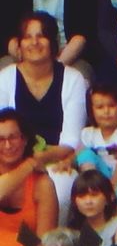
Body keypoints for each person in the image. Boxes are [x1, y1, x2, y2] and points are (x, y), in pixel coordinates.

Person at [0, 13, 89, 171]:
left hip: (58, 163)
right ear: (19, 45)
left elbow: (71, 141)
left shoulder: (73, 79)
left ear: (53, 43)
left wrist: (43, 157)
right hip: (11, 162)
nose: (34, 43)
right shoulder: (5, 77)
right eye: (27, 37)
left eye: (41, 36)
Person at [0, 109, 58, 246]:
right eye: (1, 139)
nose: (7, 145)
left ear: (25, 139)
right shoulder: (30, 166)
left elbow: (44, 243)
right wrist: (30, 164)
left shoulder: (42, 184)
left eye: (13, 138)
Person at [66, 167, 117, 246]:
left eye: (94, 195)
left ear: (110, 197)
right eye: (82, 196)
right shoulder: (72, 231)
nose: (88, 201)